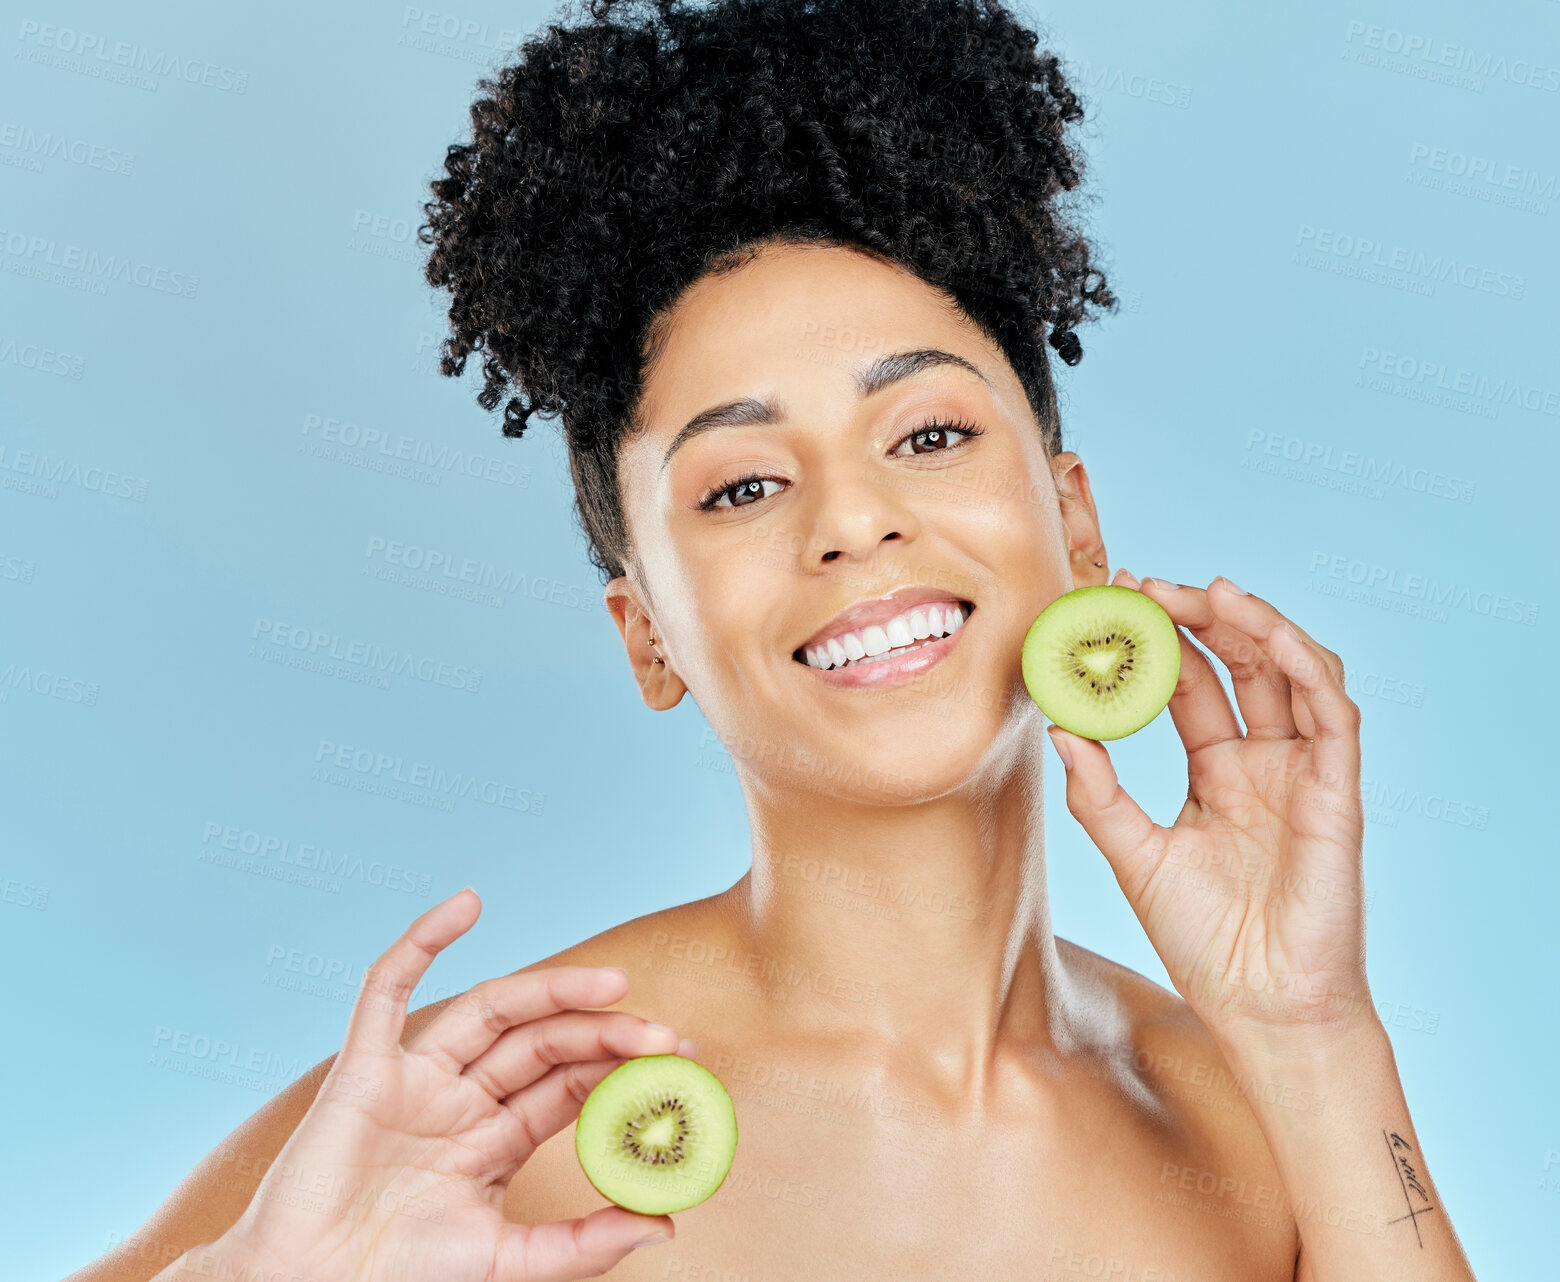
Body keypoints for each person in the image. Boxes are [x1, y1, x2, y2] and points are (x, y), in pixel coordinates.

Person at [70, 0, 1480, 1278]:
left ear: (1077, 528)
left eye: (927, 432)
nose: (851, 521)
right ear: (649, 635)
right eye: (743, 484)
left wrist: (1312, 1030)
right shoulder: (471, 1123)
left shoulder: (1259, 1123)